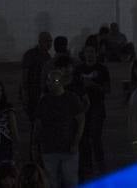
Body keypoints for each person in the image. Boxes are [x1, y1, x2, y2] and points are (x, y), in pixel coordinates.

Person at [33, 68, 85, 188]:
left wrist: (76, 141)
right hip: (49, 148)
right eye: (49, 81)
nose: (50, 83)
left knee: (69, 181)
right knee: (51, 182)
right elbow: (38, 125)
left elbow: (81, 120)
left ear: (61, 82)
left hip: (68, 148)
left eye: (54, 80)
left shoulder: (72, 98)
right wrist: (35, 145)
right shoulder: (44, 100)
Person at [71, 44, 110, 178]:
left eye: (92, 51)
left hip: (97, 107)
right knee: (83, 137)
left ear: (96, 53)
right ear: (84, 54)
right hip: (82, 107)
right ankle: (86, 166)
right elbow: (73, 88)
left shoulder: (102, 69)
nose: (90, 54)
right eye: (87, 52)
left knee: (95, 137)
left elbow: (107, 89)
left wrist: (93, 85)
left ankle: (99, 165)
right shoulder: (78, 69)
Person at [18, 33, 52, 125]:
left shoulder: (47, 56)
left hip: (40, 93)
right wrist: (25, 92)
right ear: (40, 41)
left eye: (50, 41)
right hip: (32, 92)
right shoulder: (31, 54)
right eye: (47, 41)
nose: (49, 44)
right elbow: (24, 74)